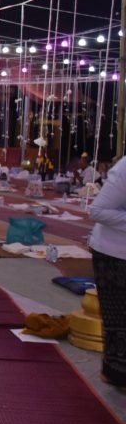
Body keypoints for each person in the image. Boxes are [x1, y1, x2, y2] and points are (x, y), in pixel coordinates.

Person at [88, 157, 126, 389]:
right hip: (113, 255)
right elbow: (97, 210)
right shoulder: (124, 169)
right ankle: (115, 372)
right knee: (119, 321)